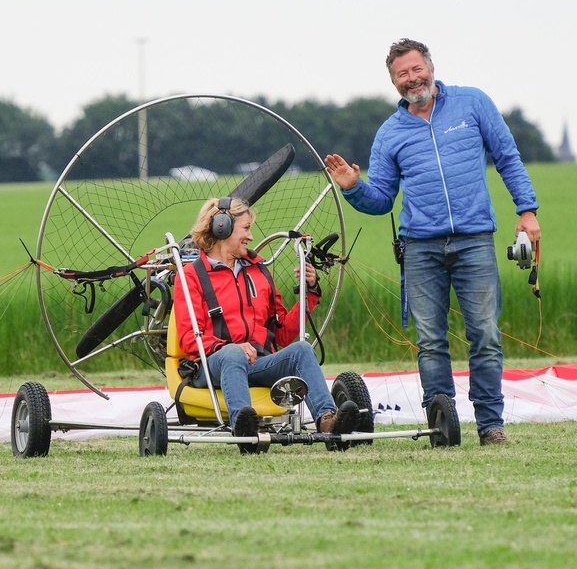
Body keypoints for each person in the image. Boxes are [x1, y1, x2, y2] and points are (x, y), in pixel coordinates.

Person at [324, 38, 541, 446]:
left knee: (485, 334)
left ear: (431, 67)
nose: (412, 79)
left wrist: (526, 210)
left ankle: (491, 425)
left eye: (416, 69)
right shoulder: (389, 134)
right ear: (393, 82)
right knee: (430, 341)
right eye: (402, 74)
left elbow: (508, 157)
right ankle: (441, 424)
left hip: (475, 240)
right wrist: (355, 188)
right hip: (421, 248)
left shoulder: (473, 103)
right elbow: (382, 200)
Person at [172, 196, 358, 453]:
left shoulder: (259, 271)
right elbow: (189, 339)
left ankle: (328, 423)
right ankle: (244, 429)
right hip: (212, 365)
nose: (250, 236)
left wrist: (310, 292)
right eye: (245, 228)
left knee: (302, 350)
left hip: (258, 363)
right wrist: (231, 347)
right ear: (221, 227)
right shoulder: (192, 277)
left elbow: (282, 334)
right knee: (233, 354)